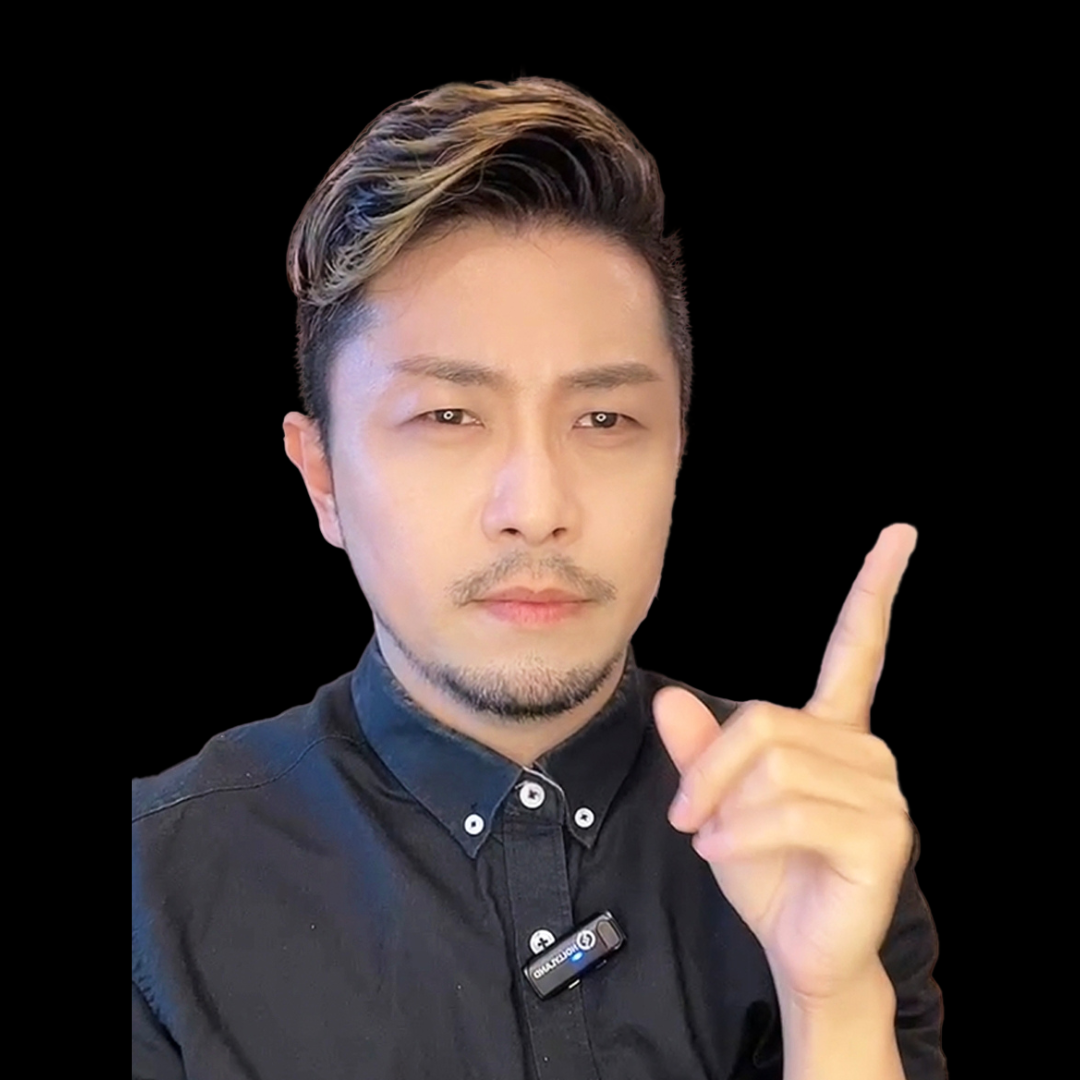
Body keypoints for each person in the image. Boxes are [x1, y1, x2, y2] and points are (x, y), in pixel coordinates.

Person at [131, 76, 945, 1079]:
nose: (537, 503)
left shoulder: (821, 827)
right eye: (447, 416)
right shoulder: (153, 891)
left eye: (604, 419)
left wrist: (833, 1000)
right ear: (322, 478)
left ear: (677, 454)